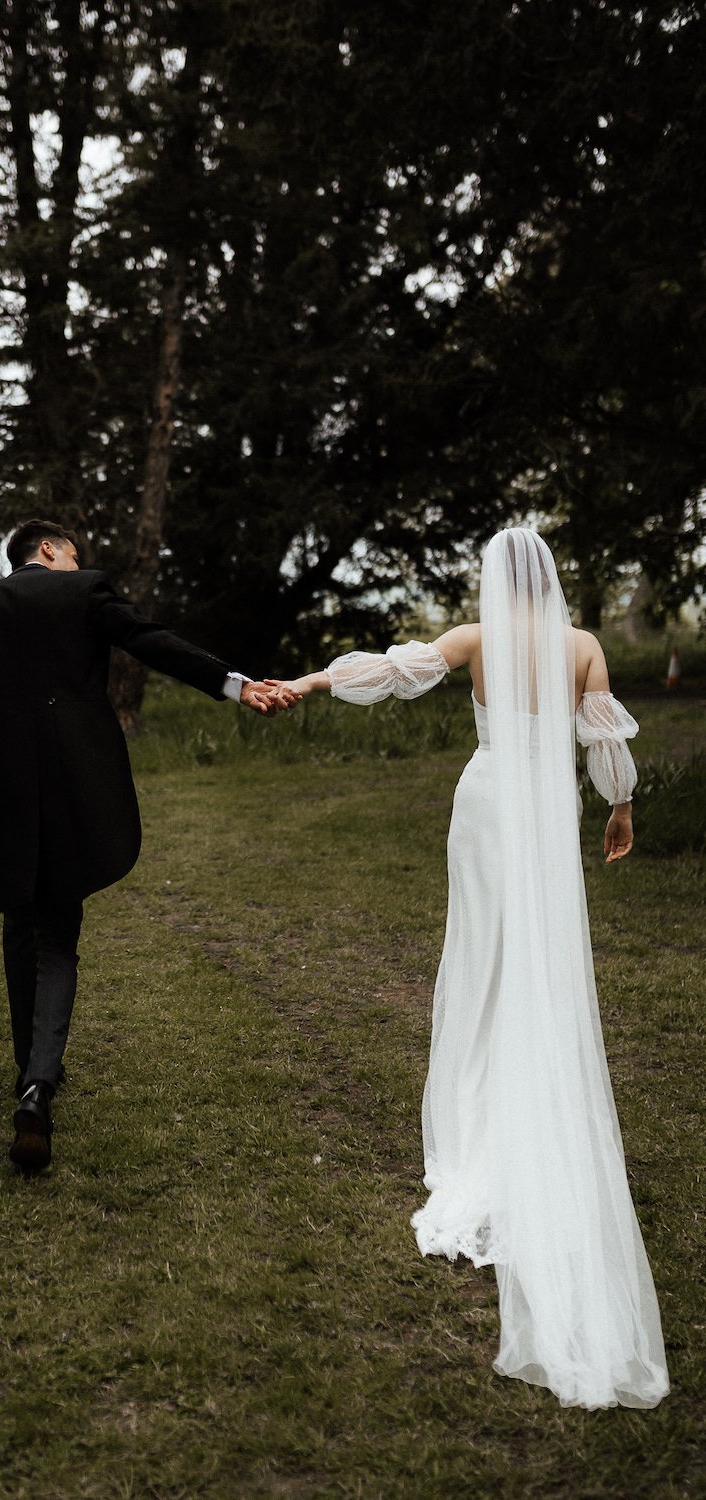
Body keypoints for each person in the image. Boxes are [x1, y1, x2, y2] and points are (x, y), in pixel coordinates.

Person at [274, 527, 668, 1410]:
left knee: (483, 951)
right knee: (537, 949)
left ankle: (481, 1111)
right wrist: (622, 808)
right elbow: (603, 743)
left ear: (497, 577)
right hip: (542, 803)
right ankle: (526, 1090)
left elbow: (391, 668)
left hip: (489, 801)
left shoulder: (480, 635)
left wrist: (305, 680)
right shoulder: (583, 647)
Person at [0, 519, 293, 1173]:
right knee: (57, 932)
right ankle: (37, 1084)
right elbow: (152, 643)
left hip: (1, 792)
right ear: (51, 549)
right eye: (73, 553)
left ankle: (28, 1073)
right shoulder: (82, 591)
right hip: (71, 786)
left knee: (17, 921)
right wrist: (235, 683)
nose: (76, 561)